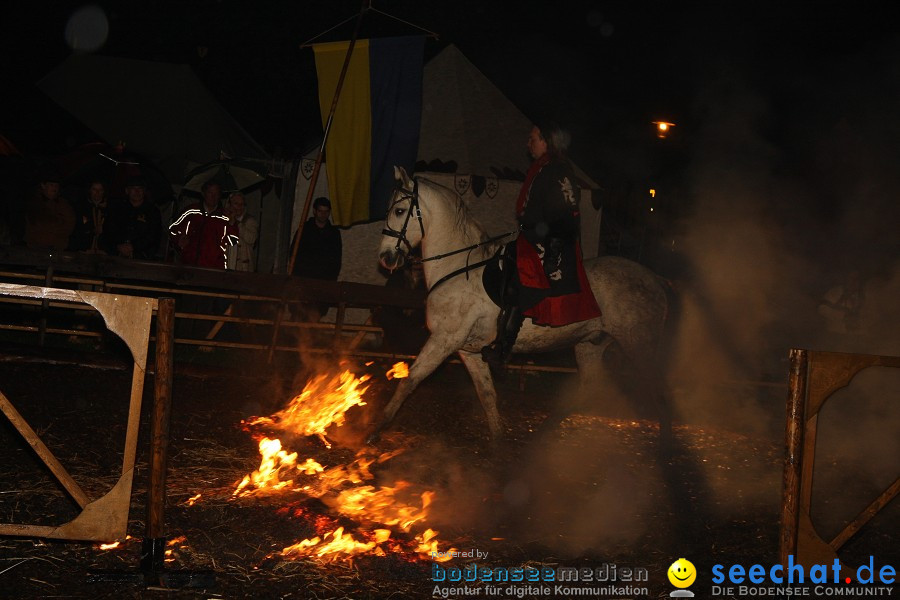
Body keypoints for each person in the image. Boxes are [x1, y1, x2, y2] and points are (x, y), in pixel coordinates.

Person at [481, 121, 601, 366]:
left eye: (533, 139)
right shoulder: (543, 168)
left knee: (520, 279)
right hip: (534, 237)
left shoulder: (557, 170)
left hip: (552, 242)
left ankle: (504, 345)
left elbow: (565, 214)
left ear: (547, 141)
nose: (529, 144)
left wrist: (552, 249)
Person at [169, 180, 237, 269]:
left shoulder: (225, 217)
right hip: (188, 265)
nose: (213, 196)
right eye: (210, 192)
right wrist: (179, 239)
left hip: (214, 268)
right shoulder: (191, 211)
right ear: (203, 193)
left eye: (216, 194)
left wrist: (232, 223)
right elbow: (173, 230)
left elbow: (233, 241)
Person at [102, 176, 162, 259]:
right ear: (127, 191)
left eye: (140, 188)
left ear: (144, 191)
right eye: (133, 188)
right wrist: (118, 246)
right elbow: (109, 229)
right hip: (116, 253)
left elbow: (153, 235)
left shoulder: (153, 211)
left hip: (142, 255)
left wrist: (133, 247)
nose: (137, 192)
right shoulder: (117, 208)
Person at [24, 167, 76, 251]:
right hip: (36, 248)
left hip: (58, 248)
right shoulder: (34, 203)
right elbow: (38, 224)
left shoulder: (64, 205)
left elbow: (70, 224)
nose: (54, 188)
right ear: (43, 185)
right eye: (51, 185)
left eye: (56, 185)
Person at [292, 196, 342, 280]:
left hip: (325, 279)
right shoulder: (304, 231)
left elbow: (336, 259)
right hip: (304, 277)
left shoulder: (334, 234)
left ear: (329, 212)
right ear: (314, 211)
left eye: (326, 211)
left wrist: (332, 277)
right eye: (320, 211)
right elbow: (294, 253)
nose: (323, 214)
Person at [68, 179, 108, 253]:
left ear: (104, 191)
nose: (97, 192)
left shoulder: (110, 208)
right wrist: (91, 229)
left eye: (100, 190)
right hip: (84, 249)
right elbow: (76, 228)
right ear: (90, 190)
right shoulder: (81, 207)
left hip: (103, 250)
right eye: (94, 189)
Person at [224, 192, 259, 272]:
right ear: (229, 205)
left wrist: (237, 224)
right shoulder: (223, 220)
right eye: (236, 203)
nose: (239, 207)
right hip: (226, 265)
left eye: (242, 204)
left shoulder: (250, 221)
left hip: (243, 268)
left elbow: (251, 239)